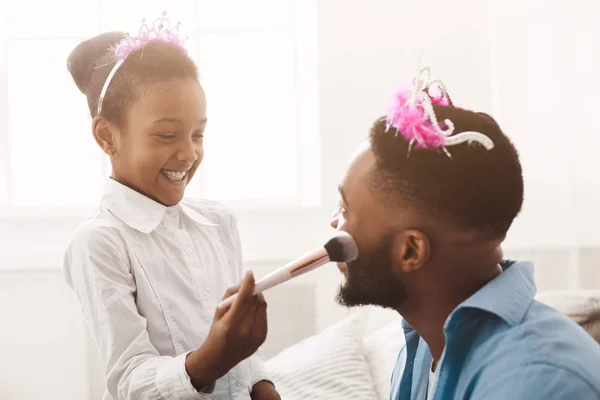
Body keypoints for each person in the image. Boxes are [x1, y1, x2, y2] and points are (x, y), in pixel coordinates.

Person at [330, 66, 600, 399]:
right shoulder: (424, 349)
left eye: (344, 210)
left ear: (411, 251)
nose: (334, 225)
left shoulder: (538, 383)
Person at [62, 12, 280, 400]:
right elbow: (131, 379)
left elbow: (246, 359)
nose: (189, 153)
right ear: (106, 135)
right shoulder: (100, 242)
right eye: (166, 135)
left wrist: (262, 385)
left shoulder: (218, 222)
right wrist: (214, 356)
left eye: (199, 134)